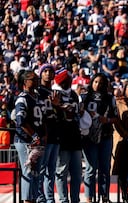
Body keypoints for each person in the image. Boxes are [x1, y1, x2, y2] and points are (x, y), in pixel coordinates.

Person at [81, 73, 117, 203]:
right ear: (91, 82)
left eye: (101, 83)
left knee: (104, 168)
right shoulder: (84, 97)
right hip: (88, 137)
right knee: (90, 168)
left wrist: (106, 119)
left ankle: (104, 196)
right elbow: (77, 114)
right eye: (95, 81)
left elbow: (116, 118)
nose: (98, 85)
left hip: (105, 136)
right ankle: (89, 197)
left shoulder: (110, 98)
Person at [14, 70, 46, 203]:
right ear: (25, 82)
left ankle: (33, 199)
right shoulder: (22, 98)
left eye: (37, 78)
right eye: (33, 79)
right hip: (25, 140)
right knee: (28, 171)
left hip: (37, 141)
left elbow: (43, 119)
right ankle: (27, 200)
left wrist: (44, 135)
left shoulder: (38, 97)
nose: (37, 80)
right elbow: (21, 121)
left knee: (36, 173)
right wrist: (33, 135)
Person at [53, 68, 82, 203]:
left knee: (77, 173)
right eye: (67, 79)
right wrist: (60, 108)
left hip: (75, 137)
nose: (69, 81)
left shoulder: (74, 95)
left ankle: (75, 199)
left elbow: (77, 113)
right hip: (62, 138)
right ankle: (64, 200)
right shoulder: (55, 94)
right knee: (61, 172)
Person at [36, 64, 61, 203]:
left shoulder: (55, 92)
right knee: (41, 169)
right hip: (43, 135)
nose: (48, 73)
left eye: (50, 71)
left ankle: (50, 198)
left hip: (55, 134)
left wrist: (57, 106)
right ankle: (40, 198)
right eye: (45, 71)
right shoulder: (37, 91)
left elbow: (59, 114)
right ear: (40, 74)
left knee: (51, 170)